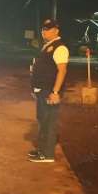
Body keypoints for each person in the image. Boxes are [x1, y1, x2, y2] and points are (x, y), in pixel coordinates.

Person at [29, 19, 69, 163]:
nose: (44, 31)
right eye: (43, 29)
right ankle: (41, 150)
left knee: (48, 122)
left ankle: (47, 154)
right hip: (42, 90)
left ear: (56, 30)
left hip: (49, 92)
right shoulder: (47, 46)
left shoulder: (60, 48)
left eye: (48, 29)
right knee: (42, 121)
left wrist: (56, 92)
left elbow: (62, 71)